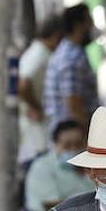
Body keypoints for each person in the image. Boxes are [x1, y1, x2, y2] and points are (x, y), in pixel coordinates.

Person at [24, 119, 93, 211]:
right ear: (55, 144)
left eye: (79, 144)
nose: (74, 150)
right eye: (67, 146)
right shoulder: (42, 167)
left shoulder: (91, 165)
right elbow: (52, 205)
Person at [19, 14, 68, 166]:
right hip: (37, 133)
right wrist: (36, 107)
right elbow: (23, 86)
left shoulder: (41, 53)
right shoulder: (38, 55)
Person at [44, 3, 99, 130]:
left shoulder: (71, 52)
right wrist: (89, 133)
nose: (91, 27)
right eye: (89, 21)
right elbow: (73, 103)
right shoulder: (71, 57)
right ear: (78, 25)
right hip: (71, 136)